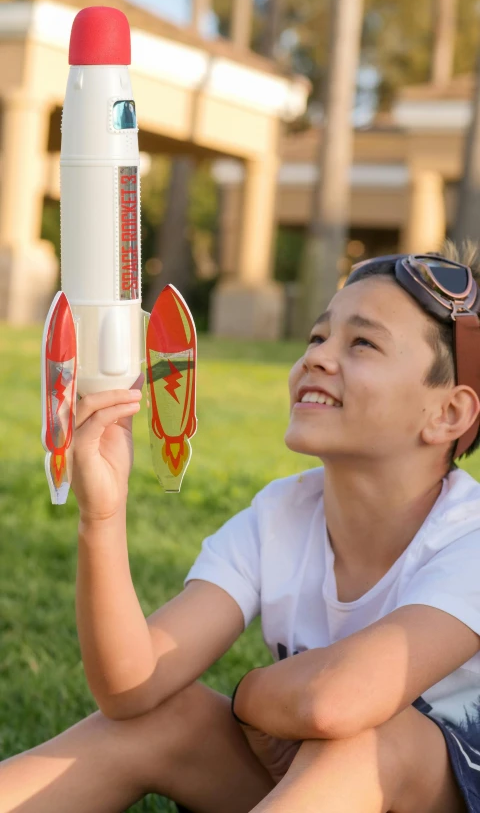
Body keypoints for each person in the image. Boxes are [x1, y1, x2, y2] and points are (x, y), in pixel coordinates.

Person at [2, 239, 480, 813]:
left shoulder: (469, 538)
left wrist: (250, 698)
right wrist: (101, 516)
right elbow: (132, 686)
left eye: (362, 343)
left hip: (417, 789)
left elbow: (336, 702)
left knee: (375, 739)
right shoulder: (278, 516)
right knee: (166, 716)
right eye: (318, 337)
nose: (319, 357)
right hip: (314, 791)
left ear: (448, 414)